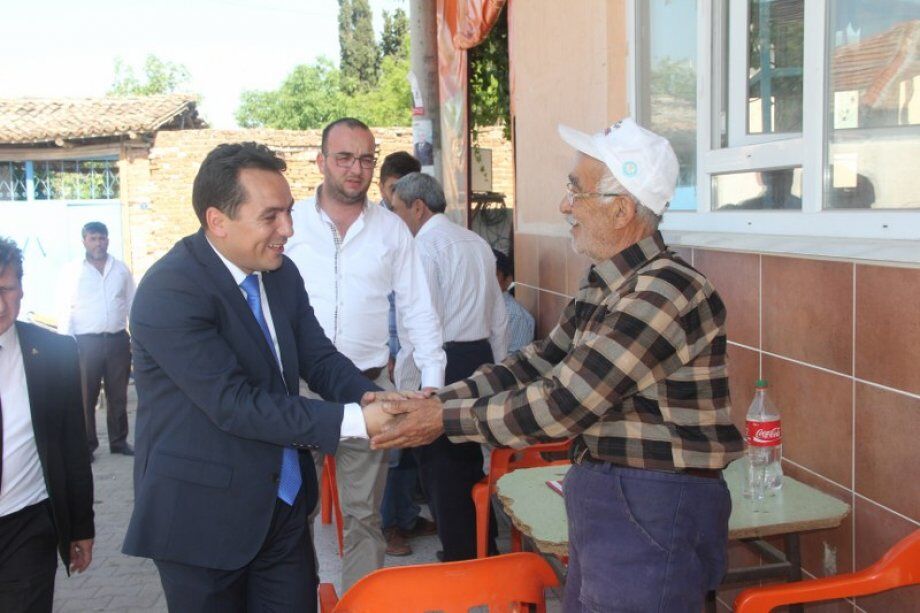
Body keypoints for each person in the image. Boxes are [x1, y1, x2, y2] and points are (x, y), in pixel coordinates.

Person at [374, 118, 746, 611]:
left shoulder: (665, 290)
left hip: (656, 503)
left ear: (621, 210)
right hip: (617, 495)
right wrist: (436, 399)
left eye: (576, 191)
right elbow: (540, 361)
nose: (564, 205)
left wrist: (441, 419)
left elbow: (566, 401)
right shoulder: (608, 283)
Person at [121, 142, 400, 612]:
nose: (288, 229)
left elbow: (318, 359)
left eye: (288, 211)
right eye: (271, 217)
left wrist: (374, 399)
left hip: (281, 507)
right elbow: (234, 404)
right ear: (218, 220)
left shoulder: (280, 273)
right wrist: (355, 421)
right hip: (201, 521)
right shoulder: (171, 290)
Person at [286, 119, 446, 589]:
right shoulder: (290, 223)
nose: (355, 169)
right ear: (321, 161)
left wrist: (432, 384)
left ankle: (360, 602)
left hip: (368, 392)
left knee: (363, 517)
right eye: (344, 158)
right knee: (293, 513)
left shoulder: (391, 230)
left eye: (365, 159)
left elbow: (418, 307)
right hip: (298, 391)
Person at [389, 171, 508, 561]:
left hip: (441, 364)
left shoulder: (423, 248)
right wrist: (497, 369)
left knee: (441, 468)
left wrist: (408, 386)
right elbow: (499, 317)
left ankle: (462, 557)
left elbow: (422, 327)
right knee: (469, 463)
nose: (394, 219)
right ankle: (483, 546)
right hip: (479, 358)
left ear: (417, 207)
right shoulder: (477, 242)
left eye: (396, 210)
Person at [0, 237, 94, 613]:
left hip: (27, 523)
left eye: (6, 289)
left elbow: (73, 447)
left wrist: (81, 527)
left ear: (22, 288)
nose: (0, 304)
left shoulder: (54, 353)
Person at [376, 151, 437, 557]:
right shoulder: (376, 228)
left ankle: (407, 515)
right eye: (396, 188)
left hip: (415, 351)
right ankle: (390, 526)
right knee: (392, 448)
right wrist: (390, 352)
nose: (403, 195)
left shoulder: (418, 232)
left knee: (413, 442)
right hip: (388, 354)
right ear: (384, 188)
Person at [58, 221, 136, 460]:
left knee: (118, 395)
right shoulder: (73, 271)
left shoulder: (120, 269)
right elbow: (65, 307)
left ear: (108, 240)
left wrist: (136, 337)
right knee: (86, 396)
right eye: (93, 238)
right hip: (86, 343)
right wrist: (65, 344)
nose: (98, 243)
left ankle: (118, 441)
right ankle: (87, 445)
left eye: (102, 238)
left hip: (117, 340)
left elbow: (132, 304)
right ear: (84, 241)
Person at [492, 249, 535, 354]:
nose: (484, 280)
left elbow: (514, 360)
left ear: (508, 280)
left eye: (492, 274)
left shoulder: (514, 316)